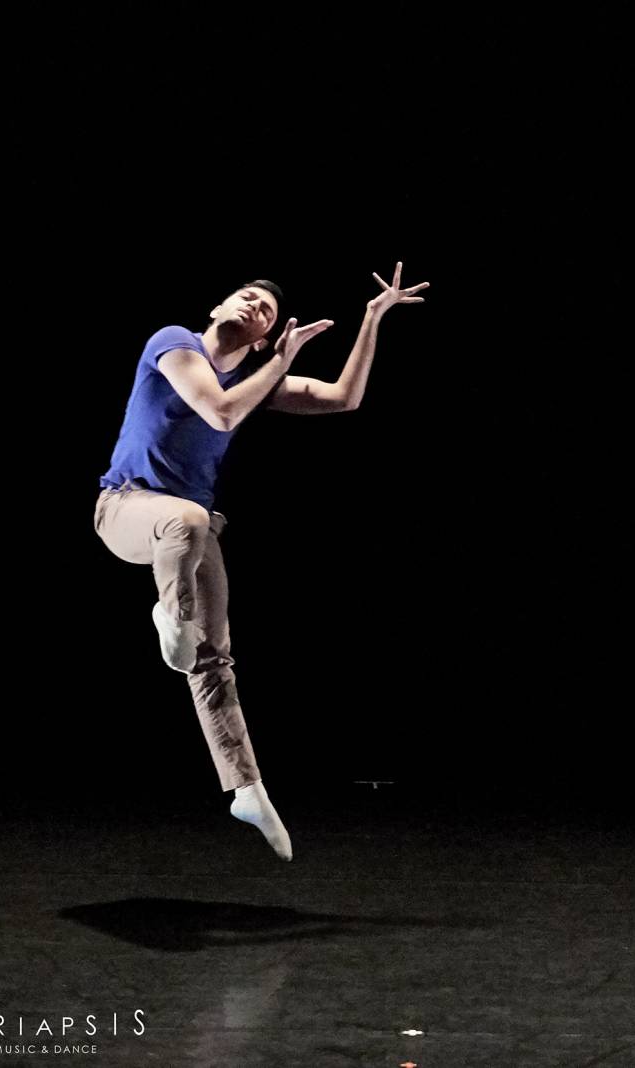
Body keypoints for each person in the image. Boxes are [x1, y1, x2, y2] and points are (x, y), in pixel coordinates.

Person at [94, 265, 428, 860]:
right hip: (125, 509)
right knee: (188, 521)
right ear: (219, 307)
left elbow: (344, 398)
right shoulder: (175, 342)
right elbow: (220, 412)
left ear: (263, 339)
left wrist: (372, 319)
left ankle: (246, 788)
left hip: (191, 532)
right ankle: (171, 618)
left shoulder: (254, 380)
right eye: (246, 297)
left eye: (266, 311)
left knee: (213, 658)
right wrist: (279, 360)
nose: (254, 305)